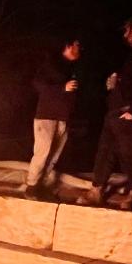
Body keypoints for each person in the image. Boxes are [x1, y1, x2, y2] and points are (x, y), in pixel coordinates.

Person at [77, 17, 132, 210]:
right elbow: (130, 80)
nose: (124, 35)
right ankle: (96, 190)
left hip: (127, 113)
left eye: (126, 31)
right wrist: (116, 79)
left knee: (129, 154)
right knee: (104, 151)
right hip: (114, 111)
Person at [24, 37, 81, 200]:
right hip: (46, 116)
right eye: (77, 46)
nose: (80, 50)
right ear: (68, 46)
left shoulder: (72, 68)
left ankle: (43, 186)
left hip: (63, 118)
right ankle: (31, 186)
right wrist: (62, 87)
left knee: (54, 155)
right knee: (42, 152)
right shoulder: (51, 64)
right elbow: (38, 85)